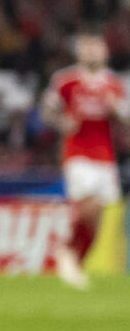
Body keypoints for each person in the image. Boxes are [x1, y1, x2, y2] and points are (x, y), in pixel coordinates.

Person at [41, 31, 126, 291]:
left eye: (96, 47)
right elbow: (46, 110)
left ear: (105, 51)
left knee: (98, 217)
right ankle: (66, 252)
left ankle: (75, 263)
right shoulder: (66, 80)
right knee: (88, 206)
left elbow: (126, 118)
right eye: (87, 47)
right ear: (79, 52)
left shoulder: (114, 84)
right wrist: (62, 122)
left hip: (105, 155)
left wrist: (116, 110)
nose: (92, 52)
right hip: (77, 153)